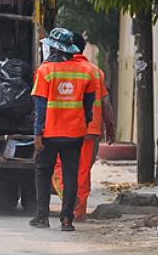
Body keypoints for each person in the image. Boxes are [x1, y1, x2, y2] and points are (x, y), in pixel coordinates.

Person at [29, 27, 96, 232]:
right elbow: (89, 104)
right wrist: (84, 121)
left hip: (50, 132)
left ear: (54, 49)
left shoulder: (45, 71)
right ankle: (67, 219)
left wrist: (38, 133)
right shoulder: (86, 71)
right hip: (74, 133)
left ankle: (42, 216)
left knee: (43, 171)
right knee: (70, 174)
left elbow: (40, 106)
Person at [52, 32, 115, 221]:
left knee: (60, 168)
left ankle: (69, 203)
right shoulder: (96, 71)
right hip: (92, 130)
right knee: (83, 171)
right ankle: (79, 212)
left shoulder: (55, 69)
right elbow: (105, 103)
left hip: (64, 129)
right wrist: (109, 126)